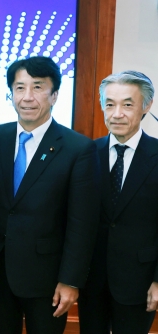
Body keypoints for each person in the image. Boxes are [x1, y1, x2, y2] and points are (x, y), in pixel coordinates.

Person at [0, 56, 100, 333]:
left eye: (37, 87)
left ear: (54, 95)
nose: (27, 97)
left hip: (48, 277)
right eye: (20, 88)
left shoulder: (78, 148)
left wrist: (70, 281)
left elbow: (82, 223)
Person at [78, 71, 158, 333]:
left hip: (140, 281)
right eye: (109, 104)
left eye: (127, 104)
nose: (116, 114)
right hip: (91, 281)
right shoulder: (87, 153)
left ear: (146, 106)